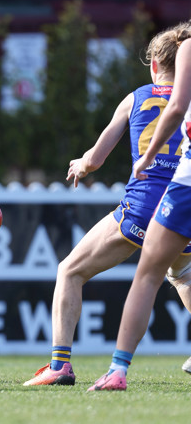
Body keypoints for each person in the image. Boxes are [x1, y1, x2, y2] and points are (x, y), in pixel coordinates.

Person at [23, 23, 191, 387]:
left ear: (153, 65)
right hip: (183, 206)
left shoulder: (136, 97)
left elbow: (96, 158)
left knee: (70, 271)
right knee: (180, 274)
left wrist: (80, 164)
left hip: (143, 208)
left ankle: (60, 365)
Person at [88, 33, 191, 391]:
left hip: (182, 187)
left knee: (148, 274)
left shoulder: (188, 49)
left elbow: (177, 108)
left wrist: (147, 157)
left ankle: (117, 371)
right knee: (183, 274)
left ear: (155, 65)